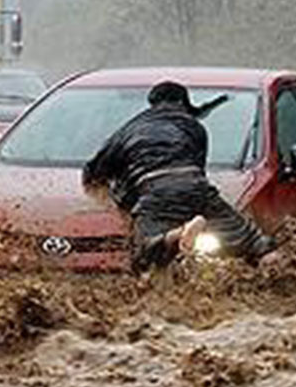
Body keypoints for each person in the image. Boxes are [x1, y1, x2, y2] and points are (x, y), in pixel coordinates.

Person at [83, 80, 276, 270]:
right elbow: (198, 171)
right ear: (183, 102)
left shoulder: (127, 131)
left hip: (155, 191)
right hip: (196, 187)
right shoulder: (194, 127)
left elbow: (91, 174)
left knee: (144, 254)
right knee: (253, 240)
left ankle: (177, 235)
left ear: (153, 103)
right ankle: (279, 272)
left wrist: (114, 201)